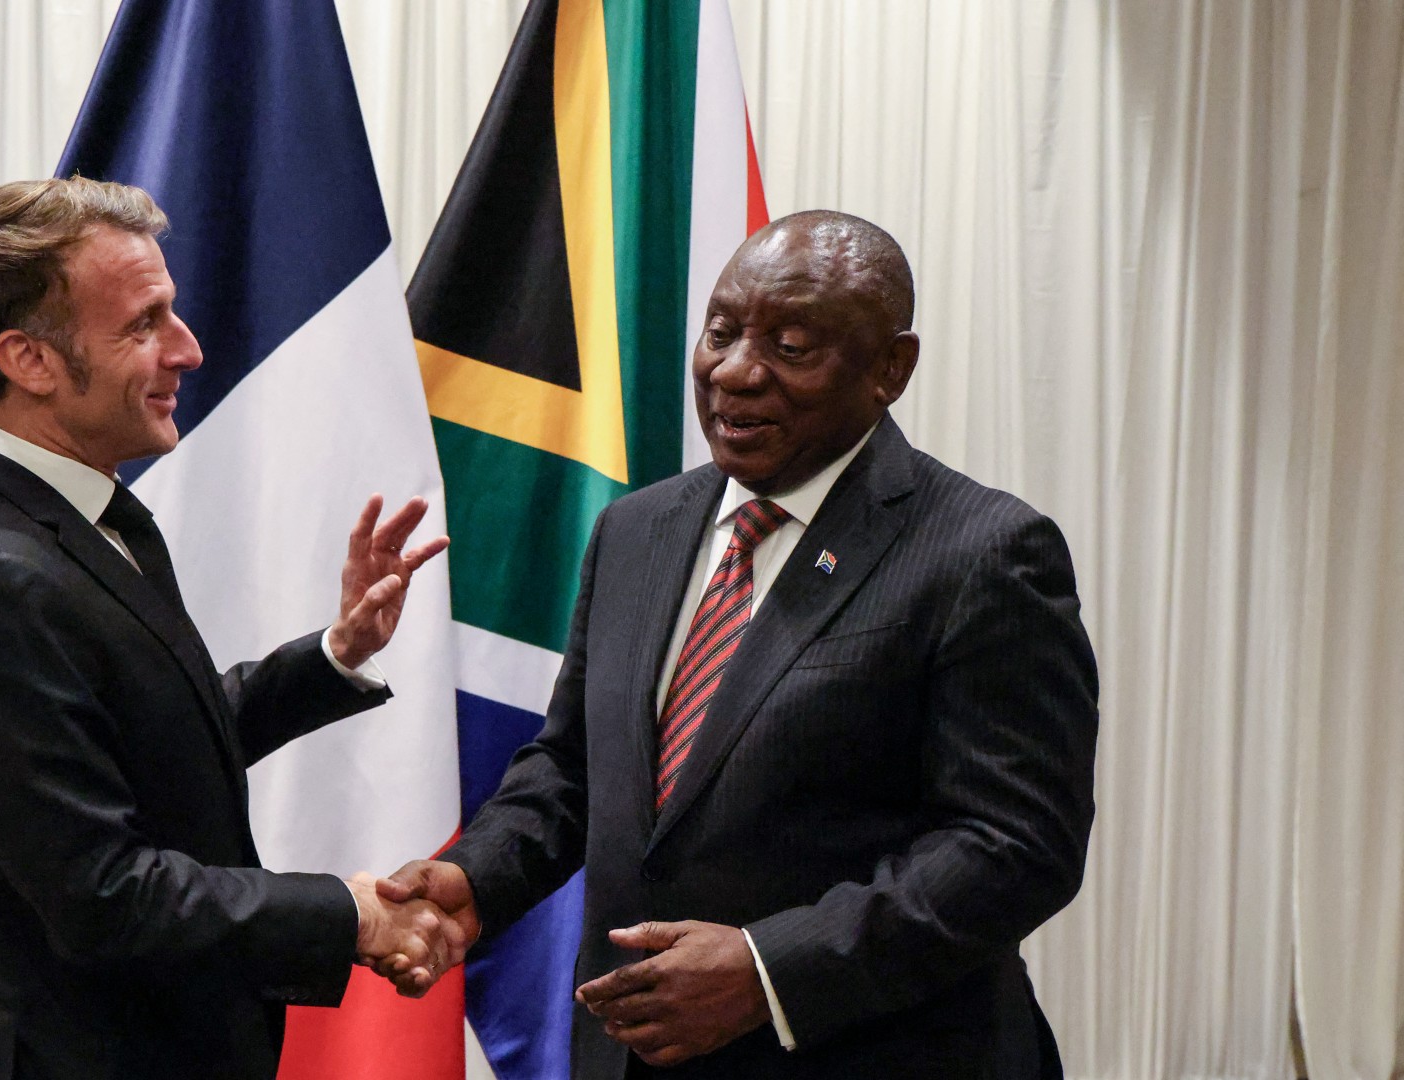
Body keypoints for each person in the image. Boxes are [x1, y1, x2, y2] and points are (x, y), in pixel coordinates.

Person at [379, 211, 1099, 1078]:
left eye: (792, 347)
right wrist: (478, 878)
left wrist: (768, 971)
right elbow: (572, 768)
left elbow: (1015, 844)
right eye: (720, 334)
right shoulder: (635, 531)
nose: (735, 371)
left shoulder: (982, 550)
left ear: (889, 369)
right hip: (631, 1055)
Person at [0, 177, 460, 1080]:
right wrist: (349, 914)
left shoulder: (81, 518)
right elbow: (102, 894)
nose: (190, 350)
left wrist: (335, 654)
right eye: (145, 323)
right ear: (29, 360)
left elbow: (153, 738)